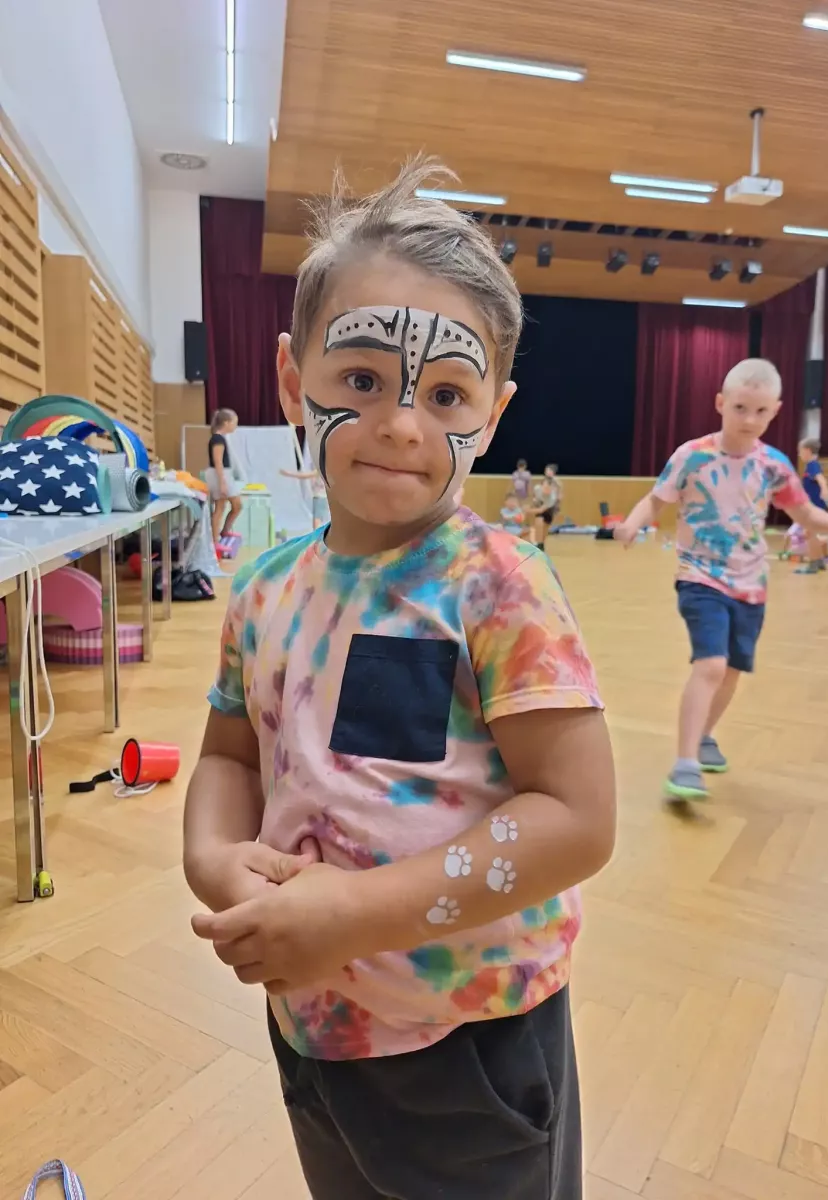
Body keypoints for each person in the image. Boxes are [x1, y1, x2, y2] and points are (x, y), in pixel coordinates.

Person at [183, 158, 616, 1200]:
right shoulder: (264, 587)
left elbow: (577, 819)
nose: (402, 424)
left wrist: (355, 913)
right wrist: (214, 860)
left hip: (471, 1050)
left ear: (493, 414)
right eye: (363, 380)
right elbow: (229, 756)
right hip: (311, 1027)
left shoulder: (498, 584)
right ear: (294, 379)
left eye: (447, 394)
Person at [615, 359, 828, 802]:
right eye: (740, 408)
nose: (749, 419)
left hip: (751, 583)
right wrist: (631, 524)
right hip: (699, 575)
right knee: (710, 665)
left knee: (731, 671)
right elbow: (656, 499)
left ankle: (705, 735)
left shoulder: (773, 465)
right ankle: (686, 763)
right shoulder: (693, 455)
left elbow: (804, 514)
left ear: (775, 411)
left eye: (760, 411)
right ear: (721, 403)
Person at [795, 437, 828, 573]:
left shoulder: (813, 465)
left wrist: (824, 489)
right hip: (812, 504)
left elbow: (821, 479)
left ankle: (813, 563)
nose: (799, 455)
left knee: (810, 533)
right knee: (812, 533)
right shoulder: (811, 465)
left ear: (808, 451)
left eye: (800, 451)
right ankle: (819, 561)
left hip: (814, 505)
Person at [207, 408, 243, 543]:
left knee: (236, 505)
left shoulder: (220, 438)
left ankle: (224, 531)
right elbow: (218, 461)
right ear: (226, 423)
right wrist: (222, 482)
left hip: (223, 474)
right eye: (234, 423)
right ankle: (215, 541)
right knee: (220, 507)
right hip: (220, 475)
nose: (235, 426)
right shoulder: (217, 439)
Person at [279, 463, 330, 529]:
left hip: (320, 498)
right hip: (320, 497)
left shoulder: (319, 471)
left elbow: (305, 476)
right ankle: (319, 534)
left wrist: (288, 473)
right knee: (317, 520)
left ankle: (318, 535)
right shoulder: (322, 471)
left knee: (317, 521)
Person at [532, 463, 562, 551]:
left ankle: (542, 543)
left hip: (550, 506)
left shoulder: (556, 482)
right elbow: (537, 492)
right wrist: (535, 500)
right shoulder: (543, 481)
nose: (547, 472)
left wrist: (557, 504)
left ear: (553, 472)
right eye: (546, 470)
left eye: (549, 470)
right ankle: (538, 543)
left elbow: (558, 495)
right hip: (541, 504)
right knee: (539, 523)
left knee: (545, 526)